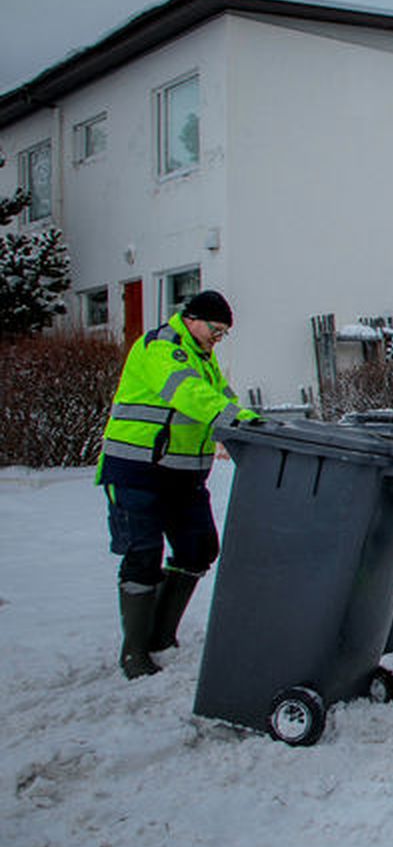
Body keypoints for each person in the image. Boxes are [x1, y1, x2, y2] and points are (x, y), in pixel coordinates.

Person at [98, 290, 258, 679]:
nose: (217, 338)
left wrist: (254, 423)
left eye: (223, 333)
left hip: (182, 477)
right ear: (193, 318)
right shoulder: (163, 346)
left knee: (199, 548)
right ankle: (135, 651)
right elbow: (189, 395)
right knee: (143, 553)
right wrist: (237, 419)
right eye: (215, 330)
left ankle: (161, 635)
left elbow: (221, 397)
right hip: (138, 470)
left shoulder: (204, 359)